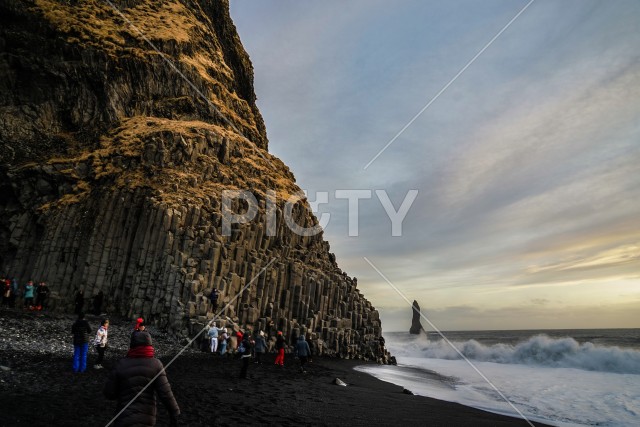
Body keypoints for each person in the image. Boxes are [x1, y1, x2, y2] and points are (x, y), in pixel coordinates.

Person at [104, 330, 180, 427]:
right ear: (149, 345)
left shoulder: (121, 364)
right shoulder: (156, 365)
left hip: (123, 418)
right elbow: (165, 393)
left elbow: (109, 394)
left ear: (132, 345)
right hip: (147, 418)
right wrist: (174, 412)